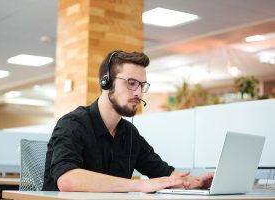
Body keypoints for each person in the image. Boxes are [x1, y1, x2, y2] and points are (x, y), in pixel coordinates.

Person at [42, 50, 214, 192]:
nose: (138, 93)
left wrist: (196, 183)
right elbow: (67, 179)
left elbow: (163, 172)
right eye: (131, 83)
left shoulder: (129, 133)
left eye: (142, 85)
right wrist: (140, 185)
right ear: (106, 82)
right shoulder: (73, 124)